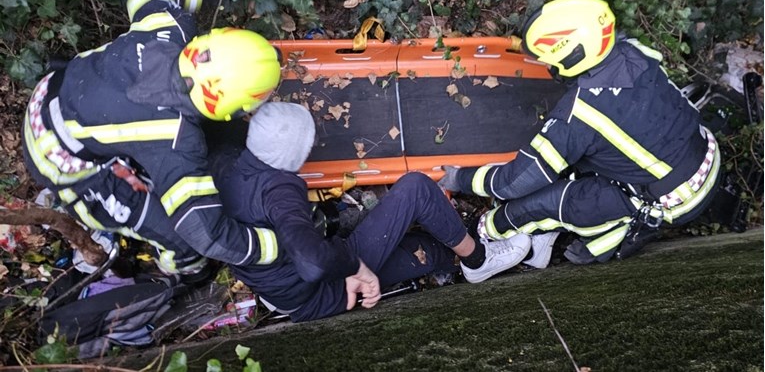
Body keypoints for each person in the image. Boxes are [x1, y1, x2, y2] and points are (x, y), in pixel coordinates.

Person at [21, 0, 283, 281]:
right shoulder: (174, 140)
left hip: (52, 91)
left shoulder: (170, 27)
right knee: (180, 241)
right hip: (54, 154)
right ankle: (181, 275)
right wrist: (276, 246)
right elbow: (205, 232)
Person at [438, 0, 722, 265]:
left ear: (571, 56)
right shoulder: (634, 50)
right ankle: (606, 224)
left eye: (547, 60)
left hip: (674, 198)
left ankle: (490, 238)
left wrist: (459, 178)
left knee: (538, 205)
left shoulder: (579, 114)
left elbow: (513, 183)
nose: (545, 65)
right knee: (578, 164)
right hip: (701, 150)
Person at [210, 102, 532, 322]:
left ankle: (451, 255)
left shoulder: (227, 164)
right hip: (319, 290)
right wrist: (355, 269)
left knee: (433, 254)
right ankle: (479, 261)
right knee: (416, 188)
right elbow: (312, 263)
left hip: (281, 286)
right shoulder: (280, 190)